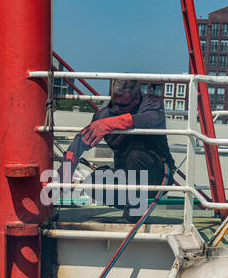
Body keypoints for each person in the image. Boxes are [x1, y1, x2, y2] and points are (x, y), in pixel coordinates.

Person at [58, 79, 175, 221]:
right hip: (126, 179)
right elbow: (80, 141)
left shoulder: (151, 103)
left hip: (157, 175)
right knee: (93, 181)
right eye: (115, 103)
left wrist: (112, 123)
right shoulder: (103, 116)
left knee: (136, 156)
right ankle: (131, 201)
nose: (117, 109)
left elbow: (151, 119)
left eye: (123, 105)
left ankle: (132, 216)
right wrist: (66, 170)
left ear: (137, 99)